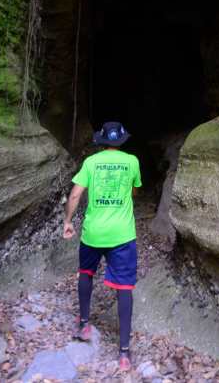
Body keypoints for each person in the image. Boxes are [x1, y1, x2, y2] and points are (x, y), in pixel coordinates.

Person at [63, 121, 142, 373]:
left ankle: (84, 324)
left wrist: (67, 221)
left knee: (86, 274)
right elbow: (134, 192)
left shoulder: (91, 162)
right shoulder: (132, 161)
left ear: (102, 140)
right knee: (124, 288)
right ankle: (124, 353)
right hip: (122, 235)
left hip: (93, 233)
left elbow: (75, 195)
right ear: (121, 140)